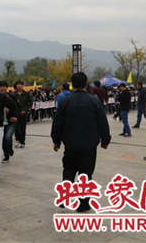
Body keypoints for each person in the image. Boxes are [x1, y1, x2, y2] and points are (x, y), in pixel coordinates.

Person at [51, 72, 111, 212]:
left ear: (72, 84)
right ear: (86, 84)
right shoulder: (94, 101)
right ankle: (83, 204)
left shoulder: (66, 101)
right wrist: (105, 140)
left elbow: (57, 122)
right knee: (85, 174)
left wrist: (56, 140)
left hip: (70, 143)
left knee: (68, 170)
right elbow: (102, 122)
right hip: (89, 145)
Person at [0, 81, 20, 162]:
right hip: (1, 122)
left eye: (4, 86)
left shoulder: (11, 96)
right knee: (4, 139)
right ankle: (6, 155)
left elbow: (18, 107)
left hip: (11, 121)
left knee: (7, 137)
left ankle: (9, 149)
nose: (3, 88)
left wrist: (14, 115)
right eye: (1, 86)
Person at [13, 80, 32, 148]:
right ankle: (17, 139)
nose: (18, 86)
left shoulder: (26, 94)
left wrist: (25, 110)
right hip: (16, 114)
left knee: (23, 128)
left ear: (22, 85)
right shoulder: (13, 94)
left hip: (23, 114)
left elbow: (30, 103)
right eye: (17, 84)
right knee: (16, 128)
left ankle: (22, 141)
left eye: (20, 84)